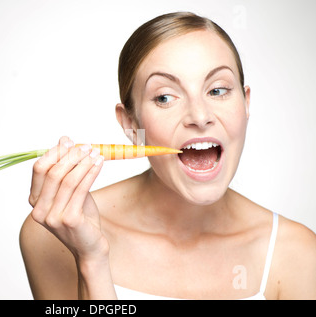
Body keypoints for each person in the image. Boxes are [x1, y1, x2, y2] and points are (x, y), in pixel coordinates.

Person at [19, 12, 316, 300]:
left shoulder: (296, 252)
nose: (200, 116)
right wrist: (92, 260)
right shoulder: (53, 235)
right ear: (131, 125)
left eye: (218, 90)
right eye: (164, 97)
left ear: (246, 102)